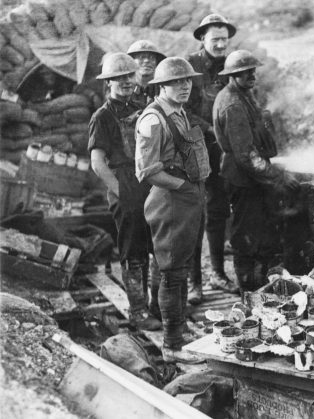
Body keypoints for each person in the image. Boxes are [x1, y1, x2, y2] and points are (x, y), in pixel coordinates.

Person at [135, 57, 208, 363]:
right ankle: (172, 346)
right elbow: (147, 172)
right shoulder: (154, 119)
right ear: (161, 85)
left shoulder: (179, 113)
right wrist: (184, 188)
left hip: (187, 202)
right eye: (177, 82)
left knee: (180, 269)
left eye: (187, 81)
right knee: (171, 274)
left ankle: (179, 330)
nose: (184, 86)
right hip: (170, 202)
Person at [89, 53, 161, 331]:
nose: (126, 82)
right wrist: (123, 193)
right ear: (108, 82)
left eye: (129, 76)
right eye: (119, 78)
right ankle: (139, 311)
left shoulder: (143, 106)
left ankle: (156, 304)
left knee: (156, 246)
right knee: (133, 251)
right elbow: (97, 164)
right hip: (123, 182)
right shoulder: (102, 117)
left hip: (148, 180)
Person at [213, 50, 294, 293]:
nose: (251, 76)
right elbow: (246, 155)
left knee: (260, 234)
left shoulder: (244, 95)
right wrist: (279, 176)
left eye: (252, 71)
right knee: (245, 237)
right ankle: (248, 291)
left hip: (253, 177)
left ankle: (259, 286)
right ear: (232, 75)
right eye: (245, 72)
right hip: (242, 178)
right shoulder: (232, 104)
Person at [185, 13, 240, 302]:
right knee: (196, 213)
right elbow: (181, 110)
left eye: (224, 39)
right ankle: (195, 282)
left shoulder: (231, 67)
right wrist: (210, 129)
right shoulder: (189, 67)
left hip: (222, 151)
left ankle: (218, 274)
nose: (220, 44)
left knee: (219, 211)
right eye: (214, 39)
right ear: (203, 39)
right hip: (194, 148)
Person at [127, 40, 166, 107]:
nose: (146, 61)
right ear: (131, 62)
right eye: (141, 57)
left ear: (156, 62)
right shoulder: (126, 88)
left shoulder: (164, 90)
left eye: (151, 57)